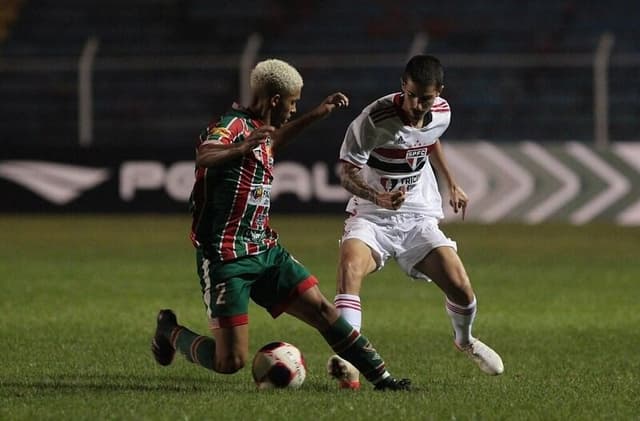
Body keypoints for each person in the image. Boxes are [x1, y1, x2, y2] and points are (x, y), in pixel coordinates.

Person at [151, 58, 410, 391]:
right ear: (275, 100)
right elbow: (206, 153)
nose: (294, 107)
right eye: (293, 101)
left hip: (265, 247)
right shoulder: (233, 126)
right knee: (230, 362)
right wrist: (242, 147)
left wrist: (315, 115)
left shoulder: (261, 131)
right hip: (226, 256)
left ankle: (383, 380)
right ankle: (169, 332)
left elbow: (272, 142)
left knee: (321, 309)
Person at [327, 55, 504, 390]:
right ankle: (350, 363)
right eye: (411, 95)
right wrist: (377, 197)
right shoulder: (372, 120)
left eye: (425, 98)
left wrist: (451, 181)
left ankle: (464, 340)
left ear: (438, 93)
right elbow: (346, 175)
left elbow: (429, 139)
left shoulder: (441, 113)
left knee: (462, 288)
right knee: (349, 269)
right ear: (402, 87)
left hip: (418, 215)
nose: (417, 104)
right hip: (372, 214)